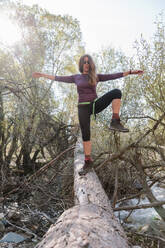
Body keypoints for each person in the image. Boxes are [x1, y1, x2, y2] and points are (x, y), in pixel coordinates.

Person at [32, 54, 143, 175]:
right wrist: (43, 75)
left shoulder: (95, 77)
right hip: (82, 108)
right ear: (81, 65)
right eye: (84, 62)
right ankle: (88, 161)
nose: (86, 64)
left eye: (88, 62)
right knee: (86, 134)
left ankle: (115, 121)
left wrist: (131, 72)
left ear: (91, 65)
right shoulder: (76, 77)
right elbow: (58, 78)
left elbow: (114, 75)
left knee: (116, 92)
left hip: (95, 104)